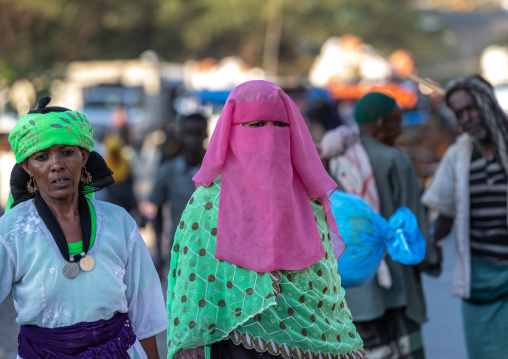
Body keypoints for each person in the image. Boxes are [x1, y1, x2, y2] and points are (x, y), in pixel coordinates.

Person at [166, 80, 366, 359]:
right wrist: (190, 340)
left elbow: (325, 285)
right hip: (235, 345)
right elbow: (192, 278)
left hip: (306, 347)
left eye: (278, 126)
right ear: (231, 132)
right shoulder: (207, 203)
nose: (268, 137)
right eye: (256, 126)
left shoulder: (310, 202)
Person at [0, 96, 167, 358]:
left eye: (67, 152)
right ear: (27, 167)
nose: (57, 164)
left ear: (84, 156)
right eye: (42, 157)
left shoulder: (119, 223)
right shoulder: (11, 231)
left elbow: (145, 312)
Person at [333, 92, 440, 359]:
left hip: (355, 289)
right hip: (398, 285)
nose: (400, 130)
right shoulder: (396, 159)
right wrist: (430, 259)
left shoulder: (336, 161)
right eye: (395, 123)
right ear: (379, 124)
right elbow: (413, 223)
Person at [422, 74, 508, 359]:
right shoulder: (459, 155)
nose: (467, 118)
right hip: (479, 279)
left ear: (488, 103)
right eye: (460, 113)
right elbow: (442, 211)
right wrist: (428, 245)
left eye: (471, 108)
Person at [140, 113, 208, 272]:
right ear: (181, 136)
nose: (194, 139)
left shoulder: (218, 171)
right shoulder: (168, 171)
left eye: (198, 134)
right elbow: (156, 210)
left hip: (212, 249)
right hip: (179, 247)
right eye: (189, 134)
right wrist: (159, 253)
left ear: (205, 134)